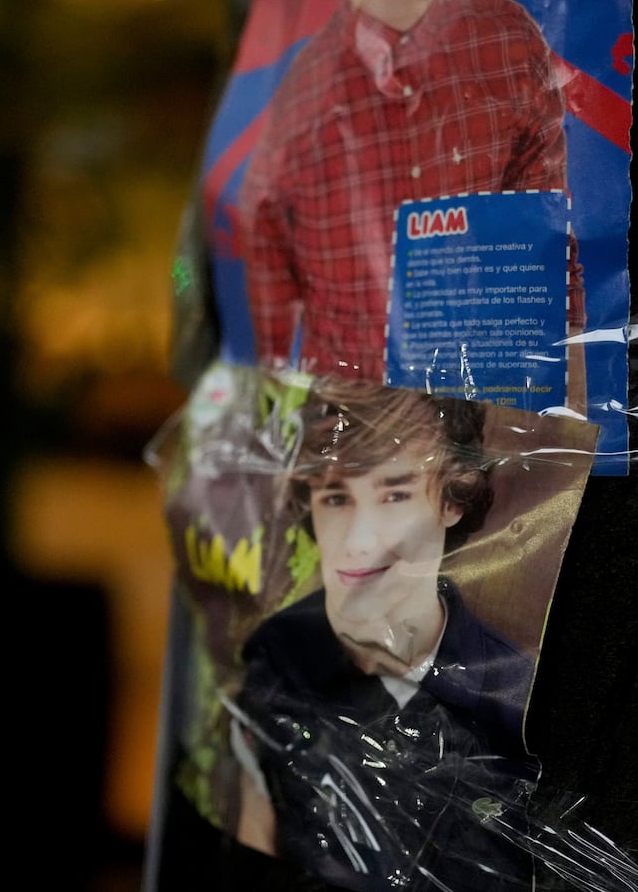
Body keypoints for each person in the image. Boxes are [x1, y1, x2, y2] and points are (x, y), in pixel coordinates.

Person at [238, 0, 582, 385]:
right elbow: (262, 275)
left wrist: (561, 403)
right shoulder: (296, 91)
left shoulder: (506, 40)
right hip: (354, 435)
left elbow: (548, 239)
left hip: (485, 411)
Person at [228, 379, 538, 891]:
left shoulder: (515, 701)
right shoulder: (275, 656)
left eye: (394, 494)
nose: (359, 541)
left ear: (453, 500)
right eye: (335, 497)